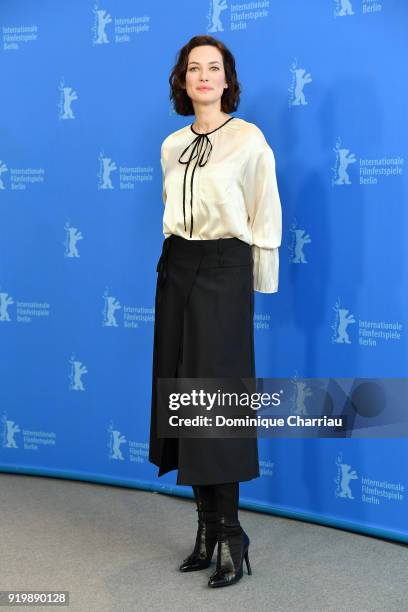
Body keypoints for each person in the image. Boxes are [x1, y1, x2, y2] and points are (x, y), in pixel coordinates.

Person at [149, 34, 282, 588]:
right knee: (183, 392)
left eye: (215, 68)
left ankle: (232, 536)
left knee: (216, 400)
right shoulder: (171, 144)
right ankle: (204, 530)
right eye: (194, 68)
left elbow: (265, 211)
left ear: (228, 80)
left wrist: (256, 285)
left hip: (225, 268)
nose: (204, 76)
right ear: (182, 80)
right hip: (176, 266)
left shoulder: (249, 141)